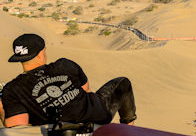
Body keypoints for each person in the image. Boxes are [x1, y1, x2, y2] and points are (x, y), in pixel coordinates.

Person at [0, 33, 136, 128]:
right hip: (98, 118)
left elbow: (17, 127)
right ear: (41, 54)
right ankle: (129, 130)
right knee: (123, 83)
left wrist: (1, 107)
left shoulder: (12, 90)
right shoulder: (65, 65)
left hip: (61, 133)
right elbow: (86, 89)